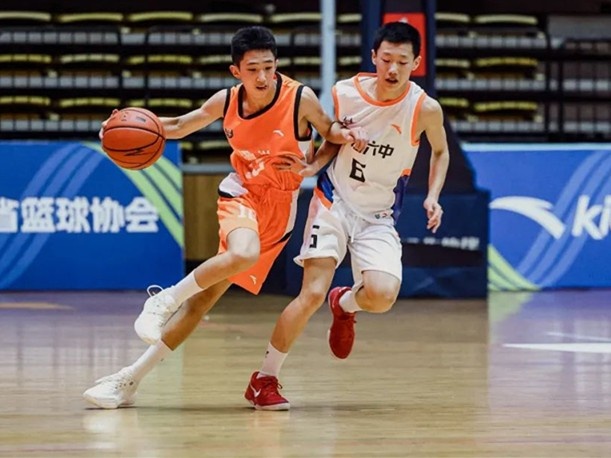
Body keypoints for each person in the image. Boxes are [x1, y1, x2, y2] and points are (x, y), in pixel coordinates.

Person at [82, 25, 367, 409]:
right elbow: (178, 126)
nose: (263, 77)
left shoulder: (300, 98)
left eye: (269, 67)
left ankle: (128, 380)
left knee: (201, 303)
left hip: (279, 209)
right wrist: (118, 126)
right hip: (242, 193)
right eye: (253, 69)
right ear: (236, 71)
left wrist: (314, 164)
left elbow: (330, 131)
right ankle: (162, 300)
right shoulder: (227, 100)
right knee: (242, 252)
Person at [244, 21, 450, 410]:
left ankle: (345, 305)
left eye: (401, 62)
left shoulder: (424, 109)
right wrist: (310, 168)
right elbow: (330, 141)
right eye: (385, 59)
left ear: (416, 63)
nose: (392, 69)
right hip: (334, 201)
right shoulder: (344, 93)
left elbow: (440, 151)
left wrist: (433, 196)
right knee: (311, 294)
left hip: (379, 214)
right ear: (373, 57)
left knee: (382, 296)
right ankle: (264, 378)